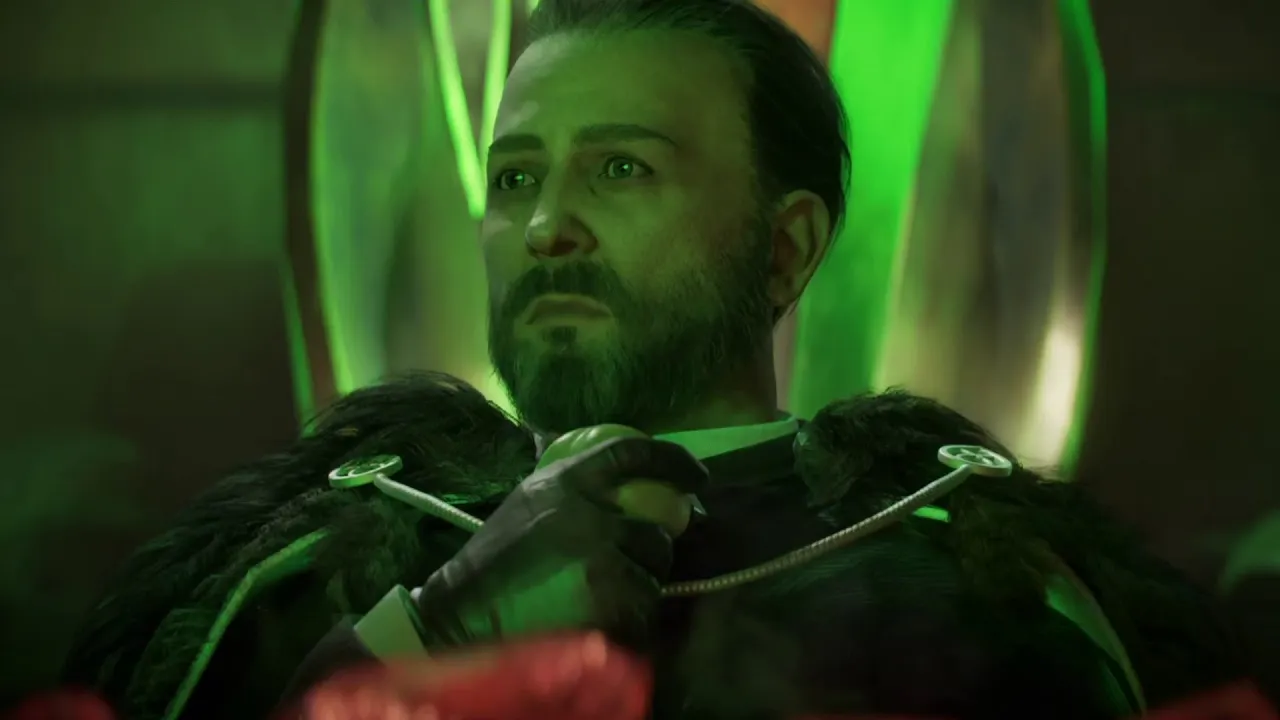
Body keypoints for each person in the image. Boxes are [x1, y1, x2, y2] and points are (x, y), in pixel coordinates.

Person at [62, 1, 1244, 718]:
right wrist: (433, 633)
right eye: (514, 177)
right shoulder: (317, 561)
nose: (543, 226)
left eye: (619, 169)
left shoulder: (984, 595)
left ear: (783, 249)